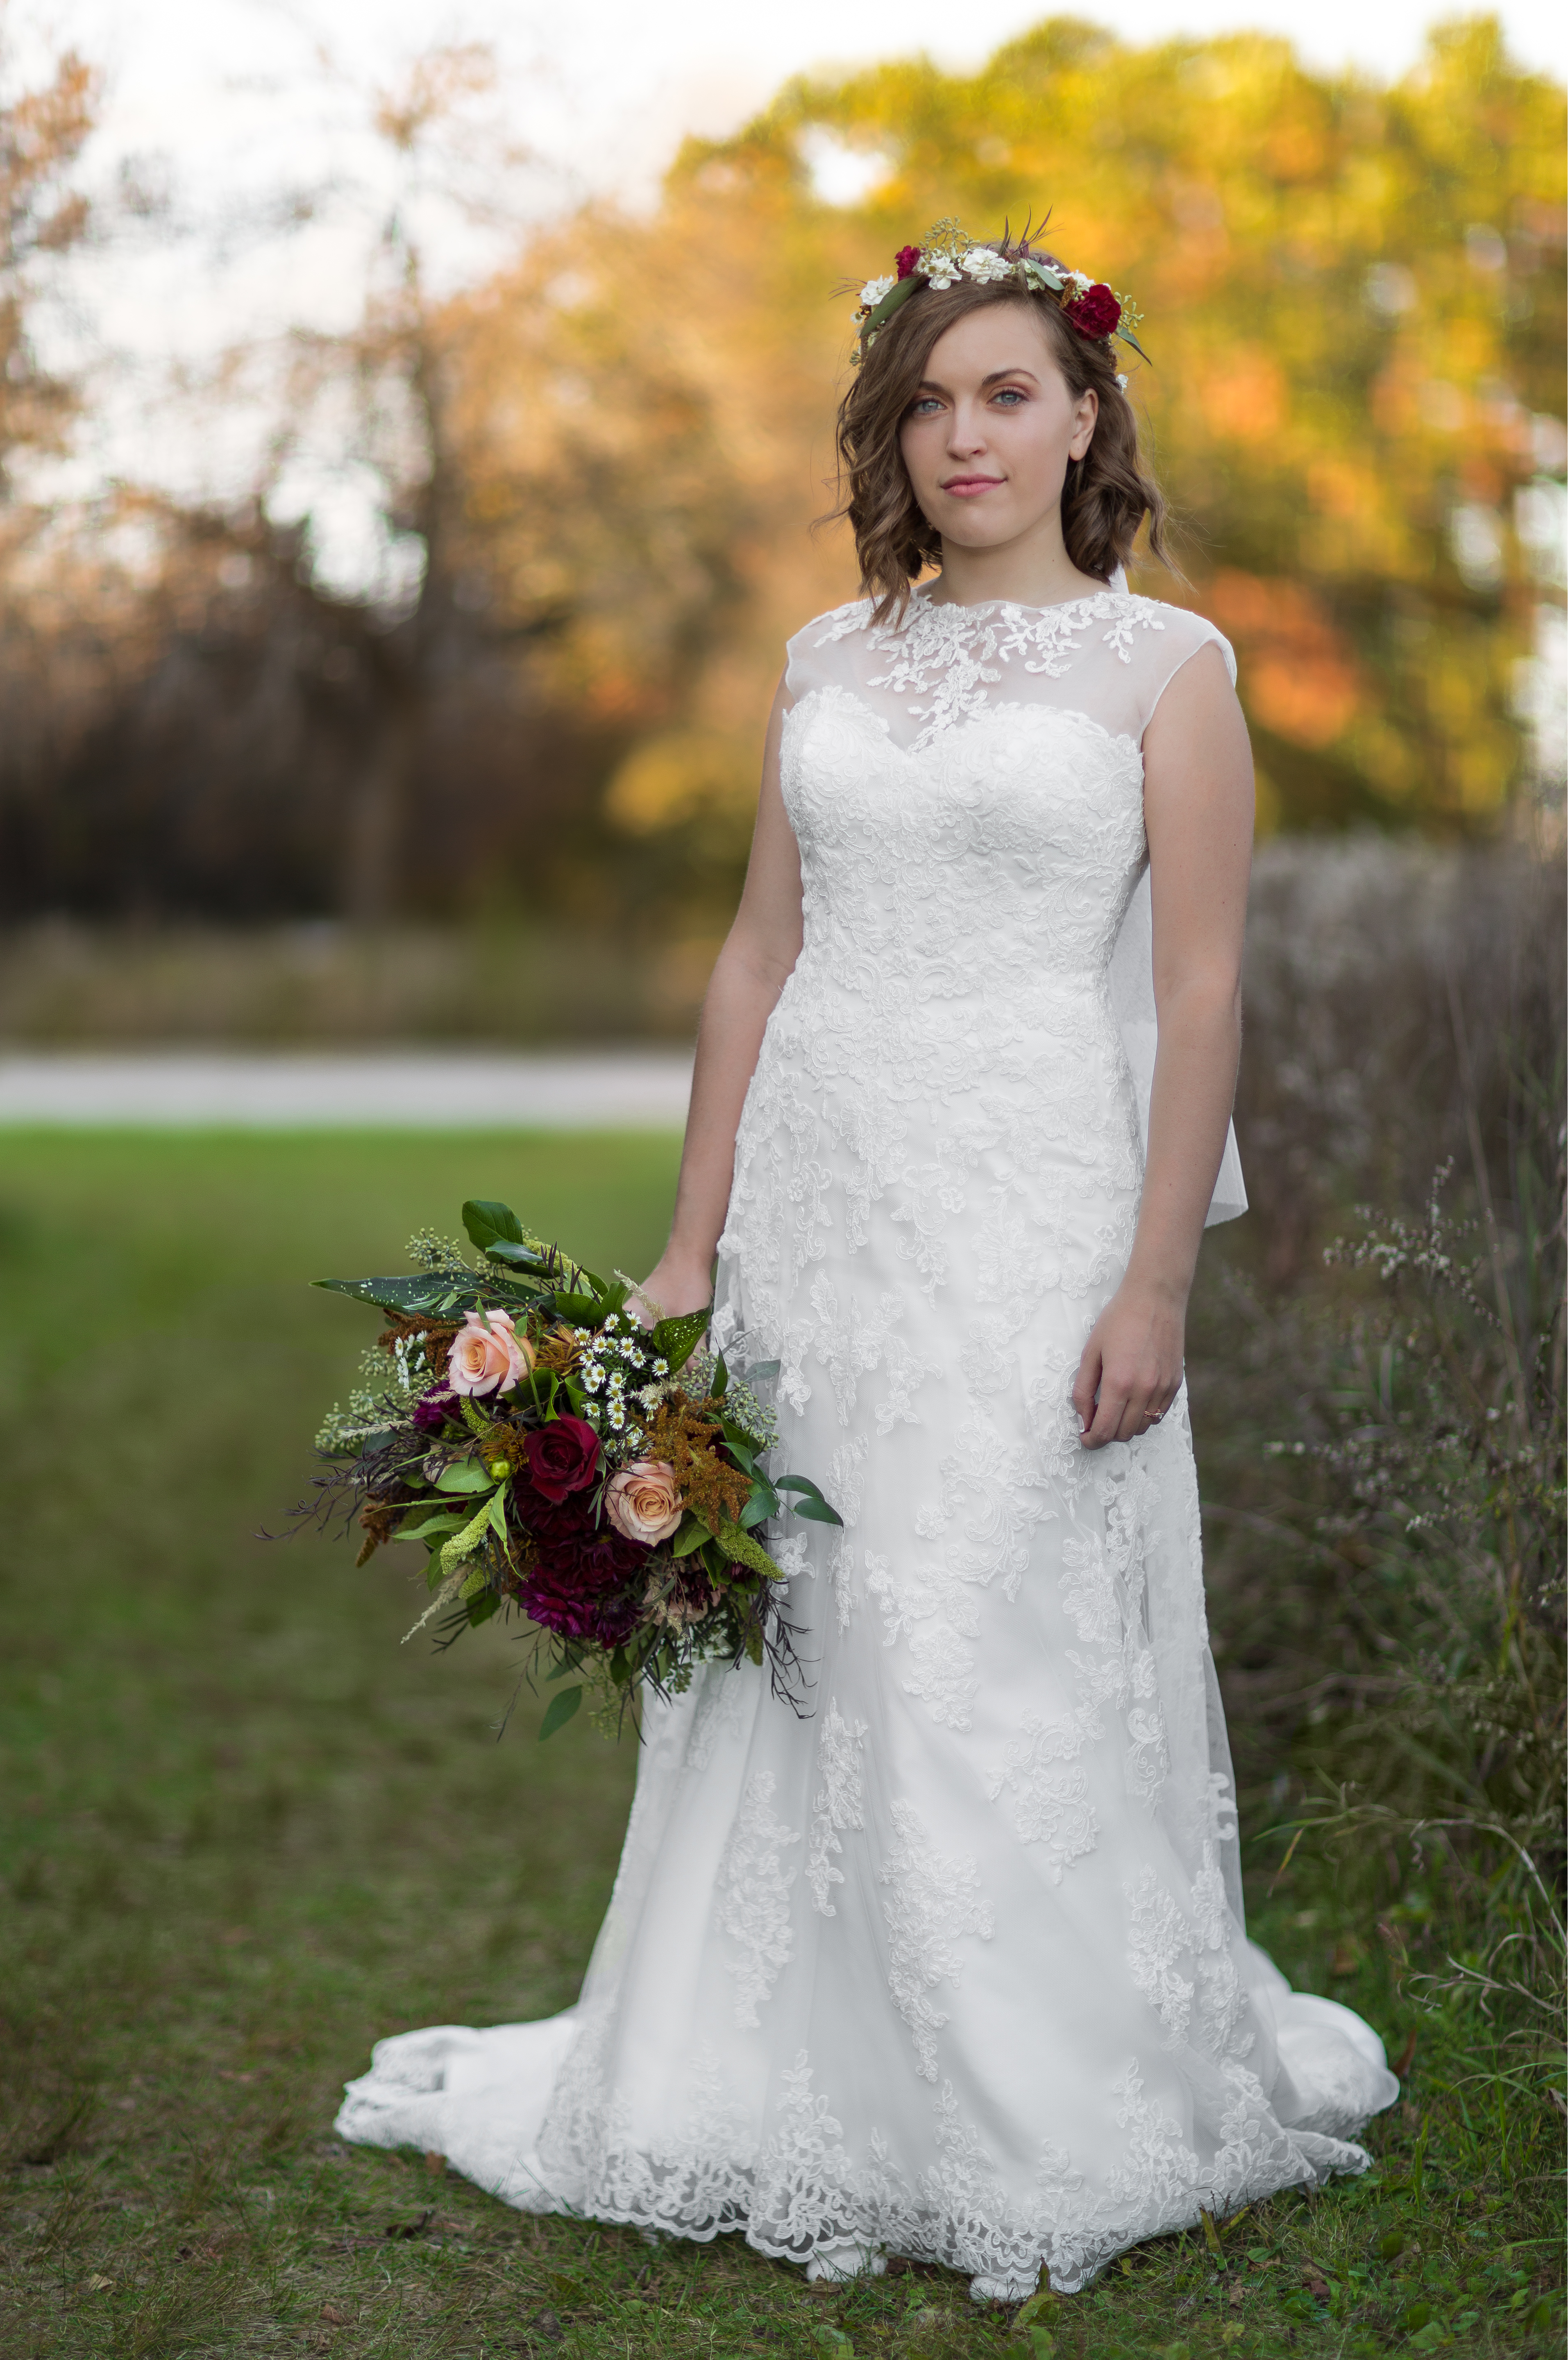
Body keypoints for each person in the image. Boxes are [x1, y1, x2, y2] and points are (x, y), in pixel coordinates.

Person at [335, 222, 1398, 2301]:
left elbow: (1200, 1000)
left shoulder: (1167, 670)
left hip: (1027, 1206)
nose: (963, 434)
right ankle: (772, 2069)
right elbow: (758, 956)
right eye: (925, 400)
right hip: (824, 1209)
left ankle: (1036, 2087)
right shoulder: (830, 662)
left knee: (988, 1615)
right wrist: (684, 1251)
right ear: (886, 437)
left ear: (1086, 413)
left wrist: (1156, 1280)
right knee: (808, 1622)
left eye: (1007, 391)